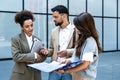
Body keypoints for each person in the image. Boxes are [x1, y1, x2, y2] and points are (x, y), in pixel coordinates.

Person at [57, 12, 102, 80]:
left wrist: (66, 71)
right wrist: (68, 61)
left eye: (78, 26)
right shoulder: (82, 39)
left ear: (85, 27)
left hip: (84, 77)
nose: (75, 28)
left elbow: (84, 64)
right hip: (77, 75)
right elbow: (79, 59)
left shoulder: (90, 42)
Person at [41, 5, 77, 80]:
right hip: (54, 69)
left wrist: (67, 52)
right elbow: (52, 49)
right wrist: (47, 52)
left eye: (56, 17)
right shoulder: (53, 31)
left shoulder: (76, 30)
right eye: (53, 17)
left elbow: (80, 50)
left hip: (69, 68)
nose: (54, 19)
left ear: (64, 16)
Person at [10, 10, 46, 80]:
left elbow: (40, 59)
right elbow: (16, 56)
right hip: (21, 76)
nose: (30, 28)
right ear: (22, 27)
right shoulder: (16, 39)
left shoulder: (38, 40)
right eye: (27, 26)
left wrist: (44, 54)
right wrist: (34, 55)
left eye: (31, 25)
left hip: (35, 75)